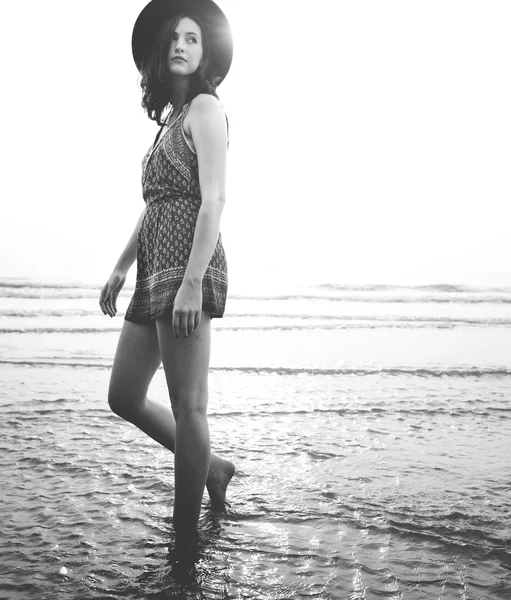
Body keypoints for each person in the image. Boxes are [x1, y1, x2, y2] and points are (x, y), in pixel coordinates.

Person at [99, 0, 234, 545]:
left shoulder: (204, 108)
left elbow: (214, 198)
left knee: (189, 404)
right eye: (175, 37)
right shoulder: (169, 123)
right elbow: (154, 204)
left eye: (193, 39)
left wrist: (193, 281)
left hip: (186, 267)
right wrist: (120, 266)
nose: (181, 45)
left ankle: (185, 539)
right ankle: (215, 467)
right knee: (124, 395)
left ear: (205, 54)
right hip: (155, 264)